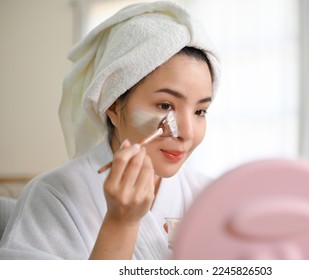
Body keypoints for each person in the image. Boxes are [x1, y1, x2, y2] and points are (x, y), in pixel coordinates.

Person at [0, 1, 220, 260]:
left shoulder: (212, 198)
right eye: (165, 105)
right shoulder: (53, 196)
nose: (187, 133)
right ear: (113, 107)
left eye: (200, 111)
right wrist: (121, 222)